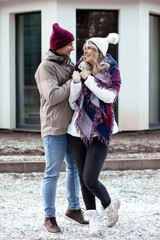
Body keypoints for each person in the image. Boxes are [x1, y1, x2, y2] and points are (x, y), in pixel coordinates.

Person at [35, 23, 88, 234]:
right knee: (52, 173)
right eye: (69, 44)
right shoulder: (45, 68)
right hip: (54, 127)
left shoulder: (68, 63)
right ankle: (49, 216)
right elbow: (53, 95)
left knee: (75, 169)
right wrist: (73, 82)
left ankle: (73, 208)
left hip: (71, 127)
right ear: (59, 46)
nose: (73, 47)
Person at [67, 33, 121, 237]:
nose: (85, 51)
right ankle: (93, 222)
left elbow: (109, 96)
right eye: (84, 47)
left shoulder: (112, 72)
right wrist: (75, 82)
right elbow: (73, 103)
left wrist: (87, 78)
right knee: (82, 178)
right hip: (77, 130)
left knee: (90, 178)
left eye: (89, 47)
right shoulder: (79, 69)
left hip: (101, 130)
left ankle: (108, 204)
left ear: (98, 51)